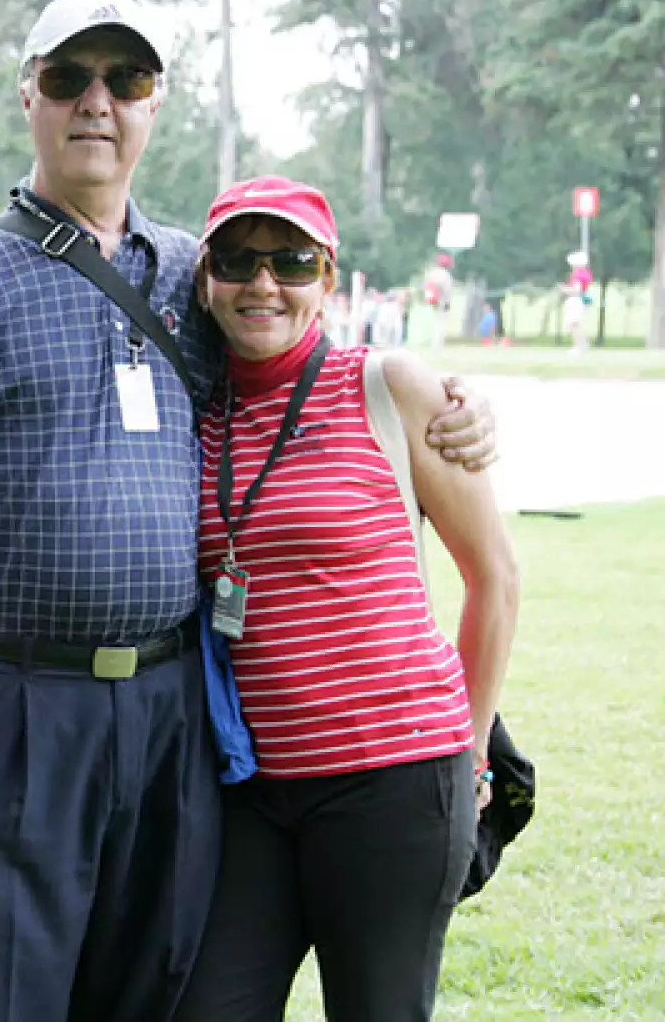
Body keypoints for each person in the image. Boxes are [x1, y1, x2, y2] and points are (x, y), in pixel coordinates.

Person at [0, 0, 498, 1022]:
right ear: (28, 95)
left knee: (156, 992)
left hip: (170, 707)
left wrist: (456, 406)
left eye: (126, 80)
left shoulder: (202, 273)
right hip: (10, 701)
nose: (96, 102)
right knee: (5, 994)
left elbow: (310, 366)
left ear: (154, 104)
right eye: (69, 78)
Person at [172, 176, 519, 1021]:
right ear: (206, 280)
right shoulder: (196, 409)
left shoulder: (389, 386)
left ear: (327, 279)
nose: (263, 283)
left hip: (394, 780)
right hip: (252, 788)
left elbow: (495, 578)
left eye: (291, 261)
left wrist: (473, 749)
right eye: (237, 261)